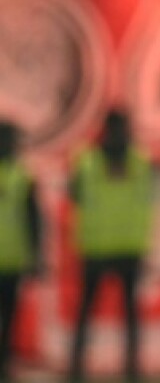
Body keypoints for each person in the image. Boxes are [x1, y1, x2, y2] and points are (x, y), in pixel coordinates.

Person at [68, 110, 154, 383]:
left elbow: (76, 197)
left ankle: (128, 369)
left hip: (116, 247)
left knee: (121, 314)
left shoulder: (93, 161)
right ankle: (81, 369)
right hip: (105, 247)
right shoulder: (93, 162)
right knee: (99, 313)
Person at [0, 121, 41, 382]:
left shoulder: (23, 175)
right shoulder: (21, 174)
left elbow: (34, 219)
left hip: (12, 260)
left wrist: (35, 255)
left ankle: (4, 364)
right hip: (13, 258)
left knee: (10, 320)